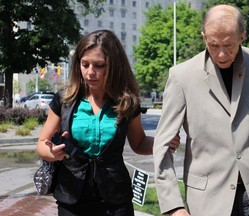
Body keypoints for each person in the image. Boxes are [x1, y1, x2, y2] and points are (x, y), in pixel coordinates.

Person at [153, 4, 249, 216]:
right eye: (214, 45)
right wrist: (173, 206)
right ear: (204, 37)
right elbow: (161, 147)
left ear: (242, 37)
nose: (222, 54)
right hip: (208, 201)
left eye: (229, 45)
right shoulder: (181, 76)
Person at [36, 30, 179, 216]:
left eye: (99, 65)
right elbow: (41, 145)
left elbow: (139, 143)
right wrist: (52, 153)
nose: (90, 72)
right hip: (72, 197)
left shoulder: (127, 101)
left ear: (113, 65)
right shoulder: (65, 99)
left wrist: (162, 142)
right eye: (84, 64)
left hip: (115, 199)